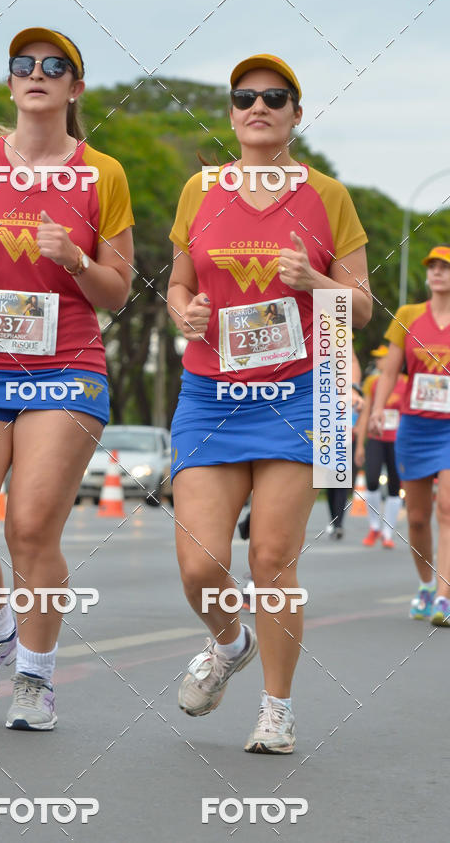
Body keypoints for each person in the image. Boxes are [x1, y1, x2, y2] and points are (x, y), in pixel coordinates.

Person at [167, 53, 371, 753]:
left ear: (296, 115)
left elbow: (361, 308)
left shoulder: (328, 197)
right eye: (245, 96)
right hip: (211, 396)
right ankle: (230, 642)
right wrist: (185, 313)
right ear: (231, 114)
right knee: (200, 564)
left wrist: (316, 281)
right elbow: (177, 286)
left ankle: (276, 710)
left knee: (272, 558)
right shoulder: (201, 190)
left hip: (298, 395)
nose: (259, 106)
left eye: (275, 97)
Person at [0, 27, 134, 729]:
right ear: (11, 82)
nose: (37, 72)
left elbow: (119, 292)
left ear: (75, 88)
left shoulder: (102, 174)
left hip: (65, 369)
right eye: (24, 64)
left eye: (55, 65)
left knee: (29, 526)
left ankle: (36, 679)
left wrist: (77, 260)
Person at [370, 247, 450, 625]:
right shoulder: (407, 316)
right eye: (432, 266)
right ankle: (426, 585)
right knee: (417, 518)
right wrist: (377, 409)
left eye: (445, 267)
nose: (437, 272)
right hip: (414, 428)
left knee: (447, 508)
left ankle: (444, 598)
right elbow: (389, 371)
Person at [355, 345, 406, 549]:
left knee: (395, 486)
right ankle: (374, 526)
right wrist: (360, 445)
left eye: (382, 358)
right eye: (376, 358)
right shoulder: (373, 382)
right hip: (376, 438)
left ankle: (387, 533)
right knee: (371, 480)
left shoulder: (406, 382)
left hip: (398, 441)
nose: (378, 362)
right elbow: (365, 414)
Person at [324, 345, 363, 539]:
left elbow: (360, 411)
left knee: (341, 482)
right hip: (326, 440)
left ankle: (338, 524)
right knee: (330, 483)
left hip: (347, 440)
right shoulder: (322, 384)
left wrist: (358, 430)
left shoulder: (352, 387)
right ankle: (334, 520)